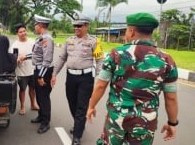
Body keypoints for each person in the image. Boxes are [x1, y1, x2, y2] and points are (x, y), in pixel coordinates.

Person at [86, 12, 179, 145]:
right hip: (145, 122)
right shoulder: (166, 59)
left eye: (126, 30)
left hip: (117, 119)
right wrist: (172, 123)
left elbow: (101, 85)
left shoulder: (115, 54)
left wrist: (91, 106)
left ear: (131, 31)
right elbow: (171, 97)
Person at [51, 15, 104, 145]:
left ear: (86, 26)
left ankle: (77, 136)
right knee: (72, 102)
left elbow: (100, 60)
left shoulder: (94, 41)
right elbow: (62, 58)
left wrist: (99, 78)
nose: (76, 28)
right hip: (71, 77)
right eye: (75, 25)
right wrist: (54, 74)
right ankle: (79, 124)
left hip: (86, 78)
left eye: (79, 26)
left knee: (81, 106)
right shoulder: (69, 40)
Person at [23, 14, 54, 134]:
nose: (34, 26)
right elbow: (37, 55)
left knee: (43, 97)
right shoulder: (41, 38)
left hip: (44, 72)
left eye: (35, 24)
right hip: (38, 70)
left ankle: (46, 123)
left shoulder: (47, 39)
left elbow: (47, 60)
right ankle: (41, 116)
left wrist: (41, 76)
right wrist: (25, 57)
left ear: (40, 25)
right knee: (39, 96)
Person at [11, 23, 39, 115]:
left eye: (24, 31)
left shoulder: (32, 42)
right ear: (17, 34)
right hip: (22, 71)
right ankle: (22, 106)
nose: (23, 33)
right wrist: (17, 59)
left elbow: (37, 54)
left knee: (33, 88)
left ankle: (33, 104)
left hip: (32, 69)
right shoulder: (15, 45)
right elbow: (12, 59)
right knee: (22, 89)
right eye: (20, 32)